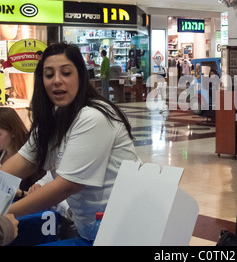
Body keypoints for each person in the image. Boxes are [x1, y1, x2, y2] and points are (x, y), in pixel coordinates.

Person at [0, 42, 141, 241]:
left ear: (81, 77)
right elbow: (22, 162)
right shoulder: (54, 116)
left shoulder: (93, 116)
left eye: (66, 73)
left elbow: (65, 187)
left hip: (123, 231)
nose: (57, 81)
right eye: (49, 75)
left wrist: (6, 216)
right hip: (90, 230)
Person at [0, 107, 44, 192]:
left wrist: (20, 193)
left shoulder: (32, 158)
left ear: (13, 132)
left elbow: (39, 194)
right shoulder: (2, 151)